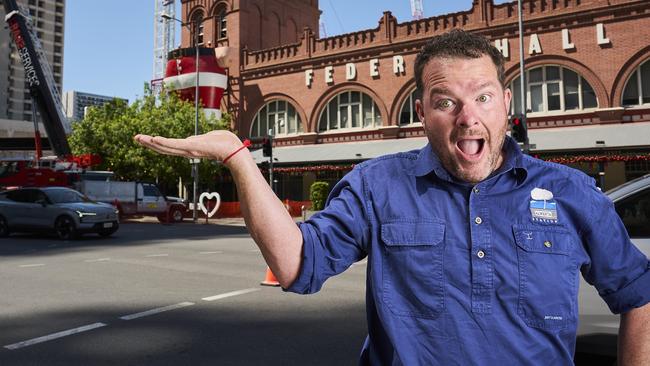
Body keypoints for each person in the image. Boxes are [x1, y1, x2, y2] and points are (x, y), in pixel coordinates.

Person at [135, 29, 650, 365]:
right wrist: (239, 158)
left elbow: (638, 294)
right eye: (446, 101)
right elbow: (296, 265)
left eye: (484, 97)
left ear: (506, 104)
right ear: (422, 112)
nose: (468, 116)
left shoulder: (571, 191)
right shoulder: (377, 186)